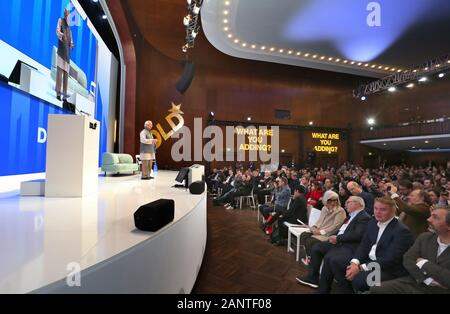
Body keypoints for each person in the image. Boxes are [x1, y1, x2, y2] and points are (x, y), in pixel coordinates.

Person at [326, 197, 413, 293]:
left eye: (383, 209)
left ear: (393, 211)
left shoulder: (401, 231)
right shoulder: (373, 222)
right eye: (375, 208)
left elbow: (390, 259)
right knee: (336, 262)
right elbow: (364, 245)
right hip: (369, 260)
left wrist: (361, 267)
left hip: (387, 268)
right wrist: (355, 263)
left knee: (360, 280)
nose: (377, 212)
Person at [370, 205, 450, 294]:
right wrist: (427, 280)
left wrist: (424, 263)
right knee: (377, 288)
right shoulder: (425, 237)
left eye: (435, 218)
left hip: (442, 290)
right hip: (416, 282)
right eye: (431, 215)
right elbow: (408, 259)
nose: (429, 219)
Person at [296, 196, 371, 289]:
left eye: (348, 202)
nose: (345, 204)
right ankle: (313, 278)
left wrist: (337, 238)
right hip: (339, 242)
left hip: (348, 247)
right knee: (317, 248)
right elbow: (341, 229)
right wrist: (332, 237)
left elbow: (357, 235)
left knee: (329, 257)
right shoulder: (351, 216)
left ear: (356, 204)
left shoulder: (364, 217)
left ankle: (324, 288)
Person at [298, 190, 347, 265]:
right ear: (326, 200)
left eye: (335, 200)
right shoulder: (324, 208)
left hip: (329, 234)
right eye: (330, 200)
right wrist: (314, 227)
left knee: (310, 241)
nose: (333, 203)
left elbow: (335, 227)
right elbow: (320, 220)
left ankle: (313, 260)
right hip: (319, 230)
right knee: (303, 235)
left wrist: (320, 232)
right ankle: (310, 256)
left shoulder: (340, 211)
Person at [55, 8, 74, 101]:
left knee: (66, 76)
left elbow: (71, 41)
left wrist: (72, 44)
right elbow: (57, 31)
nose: (67, 16)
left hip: (67, 55)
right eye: (66, 15)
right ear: (64, 14)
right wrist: (62, 35)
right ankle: (58, 94)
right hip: (61, 52)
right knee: (59, 74)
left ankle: (65, 96)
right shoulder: (60, 21)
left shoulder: (69, 29)